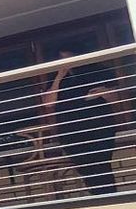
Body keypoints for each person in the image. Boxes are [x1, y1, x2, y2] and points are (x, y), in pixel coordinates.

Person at [41, 50, 132, 195]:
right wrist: (59, 77)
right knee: (84, 166)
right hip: (71, 131)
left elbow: (118, 99)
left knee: (101, 164)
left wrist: (104, 92)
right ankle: (102, 197)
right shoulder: (55, 78)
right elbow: (48, 103)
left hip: (99, 127)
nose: (67, 62)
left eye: (69, 58)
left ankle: (108, 197)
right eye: (62, 59)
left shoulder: (98, 72)